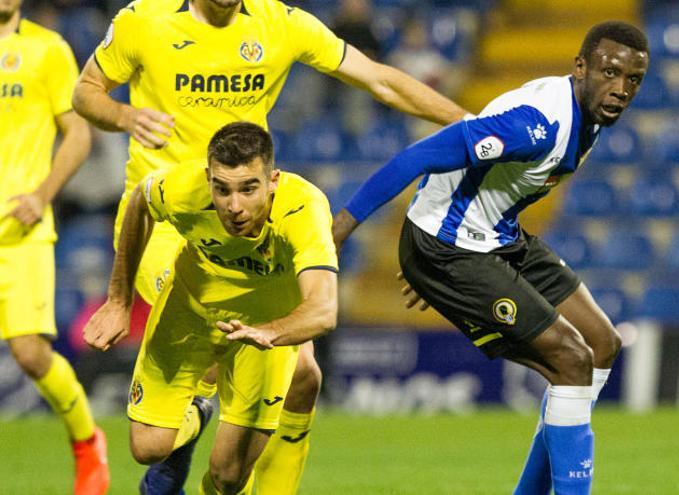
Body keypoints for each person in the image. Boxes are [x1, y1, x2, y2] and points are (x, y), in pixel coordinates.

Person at [70, 0, 467, 491]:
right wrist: (124, 115)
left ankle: (204, 429)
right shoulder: (143, 20)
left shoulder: (280, 23)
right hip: (169, 222)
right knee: (218, 341)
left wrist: (468, 122)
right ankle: (187, 421)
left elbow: (380, 79)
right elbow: (86, 92)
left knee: (304, 376)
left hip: (246, 214)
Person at [332, 21, 649, 495]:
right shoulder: (536, 127)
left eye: (632, 80)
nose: (620, 89)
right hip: (450, 247)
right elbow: (416, 157)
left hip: (497, 235)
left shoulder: (590, 114)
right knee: (571, 359)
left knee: (601, 344)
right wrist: (341, 231)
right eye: (609, 72)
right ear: (580, 67)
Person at [83, 122, 338, 494]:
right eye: (222, 189)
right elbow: (141, 200)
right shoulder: (184, 188)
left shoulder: (303, 209)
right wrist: (120, 300)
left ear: (273, 181)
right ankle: (199, 412)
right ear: (208, 179)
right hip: (188, 314)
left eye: (249, 188)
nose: (234, 206)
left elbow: (323, 308)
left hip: (262, 334)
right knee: (147, 447)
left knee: (228, 478)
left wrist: (270, 331)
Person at [0, 2, 109, 494]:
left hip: (20, 231)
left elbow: (78, 134)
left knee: (29, 355)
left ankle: (87, 444)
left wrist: (41, 195)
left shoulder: (47, 49)